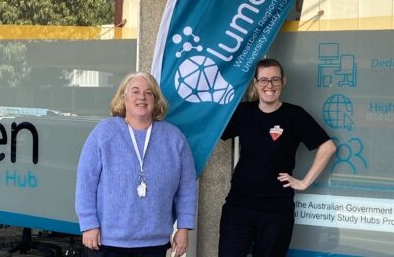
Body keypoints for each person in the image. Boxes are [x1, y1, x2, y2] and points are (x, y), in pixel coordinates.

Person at [219, 58, 337, 257]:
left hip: (276, 210)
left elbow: (328, 147)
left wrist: (304, 182)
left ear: (284, 82)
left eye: (275, 80)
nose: (269, 86)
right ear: (256, 84)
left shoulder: (294, 115)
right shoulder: (243, 112)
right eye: (263, 80)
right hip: (239, 206)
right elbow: (210, 128)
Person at [75, 72, 198, 257]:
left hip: (154, 243)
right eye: (135, 91)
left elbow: (187, 187)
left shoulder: (174, 138)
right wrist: (88, 224)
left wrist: (183, 228)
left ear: (156, 101)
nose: (142, 97)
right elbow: (85, 183)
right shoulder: (104, 133)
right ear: (123, 98)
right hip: (108, 241)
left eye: (149, 93)